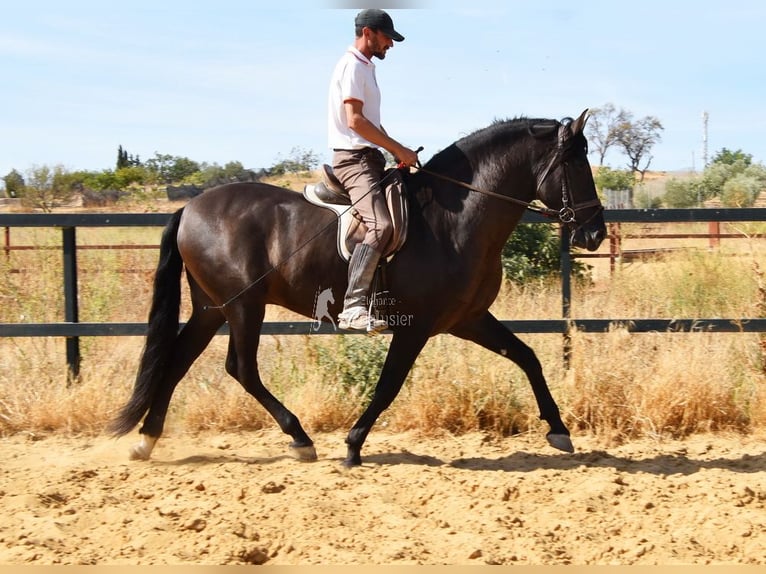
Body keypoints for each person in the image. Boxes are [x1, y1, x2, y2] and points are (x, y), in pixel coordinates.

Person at [328, 8, 419, 332]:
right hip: (353, 161)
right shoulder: (353, 65)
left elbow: (372, 123)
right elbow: (355, 121)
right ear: (369, 33)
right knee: (380, 225)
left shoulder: (365, 67)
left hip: (371, 158)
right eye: (387, 38)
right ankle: (353, 308)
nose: (390, 45)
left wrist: (399, 151)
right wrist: (397, 148)